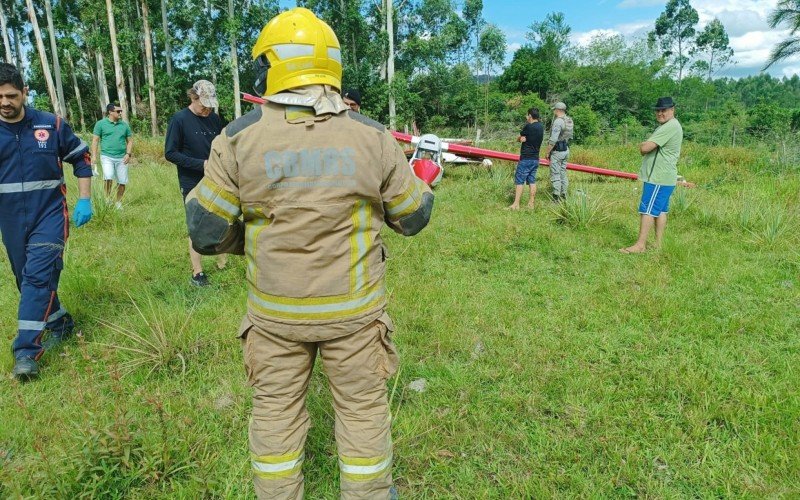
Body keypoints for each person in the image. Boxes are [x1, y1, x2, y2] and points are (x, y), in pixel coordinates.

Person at [185, 8, 433, 498]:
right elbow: (413, 217)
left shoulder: (237, 137)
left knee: (275, 415)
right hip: (355, 314)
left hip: (275, 314)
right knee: (363, 413)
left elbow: (205, 230)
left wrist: (253, 242)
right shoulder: (373, 135)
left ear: (273, 66)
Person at [0, 62, 93, 380]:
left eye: (11, 96)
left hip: (50, 215)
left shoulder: (50, 124)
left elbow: (81, 156)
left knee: (37, 279)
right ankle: (60, 322)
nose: (5, 102)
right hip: (10, 219)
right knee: (24, 280)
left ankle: (26, 352)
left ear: (24, 93)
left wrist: (84, 198)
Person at [164, 80, 227, 286]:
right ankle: (197, 273)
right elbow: (170, 153)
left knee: (222, 218)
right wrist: (202, 164)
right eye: (203, 104)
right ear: (193, 97)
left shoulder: (215, 119)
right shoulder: (179, 119)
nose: (207, 108)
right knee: (196, 224)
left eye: (210, 105)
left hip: (217, 178)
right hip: (192, 180)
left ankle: (222, 258)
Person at [620, 96, 683, 254]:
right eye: (658, 110)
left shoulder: (670, 126)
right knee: (660, 210)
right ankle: (658, 244)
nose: (660, 113)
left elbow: (645, 148)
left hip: (658, 177)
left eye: (664, 110)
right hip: (665, 177)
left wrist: (643, 144)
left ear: (672, 110)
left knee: (647, 209)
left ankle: (640, 245)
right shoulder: (669, 125)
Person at [92, 103, 133, 209]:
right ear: (110, 112)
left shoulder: (124, 125)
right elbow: (95, 141)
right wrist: (94, 156)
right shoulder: (100, 124)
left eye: (121, 111)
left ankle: (118, 203)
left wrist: (128, 154)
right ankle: (107, 200)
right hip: (107, 156)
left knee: (122, 181)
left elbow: (130, 141)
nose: (120, 113)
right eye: (118, 111)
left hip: (122, 157)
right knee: (108, 177)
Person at [507, 107, 544, 210]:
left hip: (526, 158)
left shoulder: (528, 126)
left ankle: (516, 204)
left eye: (527, 115)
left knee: (519, 180)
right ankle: (531, 204)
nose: (526, 117)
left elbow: (520, 138)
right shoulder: (541, 127)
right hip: (535, 158)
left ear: (530, 116)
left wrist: (520, 139)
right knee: (532, 181)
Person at [544, 101, 573, 202]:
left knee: (555, 173)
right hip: (566, 149)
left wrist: (547, 152)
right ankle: (564, 194)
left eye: (555, 110)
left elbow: (553, 140)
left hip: (557, 151)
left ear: (557, 110)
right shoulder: (569, 120)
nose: (554, 112)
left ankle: (556, 197)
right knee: (563, 173)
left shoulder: (558, 121)